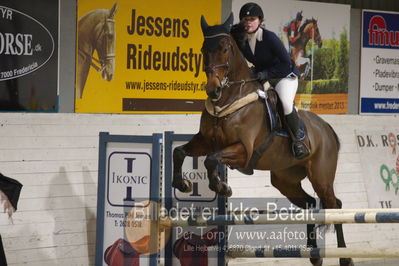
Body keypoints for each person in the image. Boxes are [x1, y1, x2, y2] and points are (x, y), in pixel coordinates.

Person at [238, 2, 309, 159]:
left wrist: (266, 73)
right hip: (266, 77)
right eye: (245, 19)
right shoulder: (243, 40)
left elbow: (286, 62)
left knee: (284, 103)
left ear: (260, 20)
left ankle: (298, 141)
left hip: (284, 76)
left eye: (252, 19)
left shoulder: (269, 37)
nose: (248, 22)